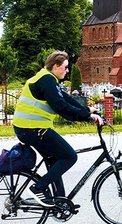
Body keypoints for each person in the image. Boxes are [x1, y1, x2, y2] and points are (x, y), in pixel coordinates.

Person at [13, 50, 103, 207]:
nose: (67, 71)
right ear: (56, 66)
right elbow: (61, 107)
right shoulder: (47, 81)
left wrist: (87, 110)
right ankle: (38, 188)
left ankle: (60, 203)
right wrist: (86, 117)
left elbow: (65, 98)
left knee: (55, 160)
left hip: (28, 129)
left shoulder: (46, 78)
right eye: (66, 67)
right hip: (34, 129)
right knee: (69, 157)